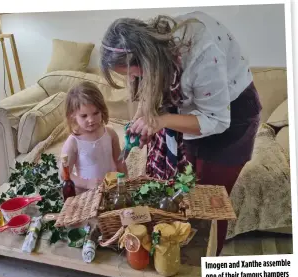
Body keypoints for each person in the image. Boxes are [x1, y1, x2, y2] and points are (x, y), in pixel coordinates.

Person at [99, 11, 262, 256]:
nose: (134, 79)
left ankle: (206, 267)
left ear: (145, 60)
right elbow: (149, 90)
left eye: (133, 74)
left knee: (208, 206)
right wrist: (143, 120)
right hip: (196, 114)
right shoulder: (154, 47)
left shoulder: (202, 52)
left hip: (231, 121)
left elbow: (216, 121)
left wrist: (161, 121)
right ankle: (176, 255)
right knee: (184, 194)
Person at [60, 81, 128, 191]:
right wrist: (87, 184)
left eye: (96, 113)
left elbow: (119, 161)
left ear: (102, 110)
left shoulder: (110, 133)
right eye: (84, 116)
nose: (91, 120)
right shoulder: (73, 142)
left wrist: (125, 181)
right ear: (73, 115)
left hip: (113, 188)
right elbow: (64, 174)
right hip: (89, 193)